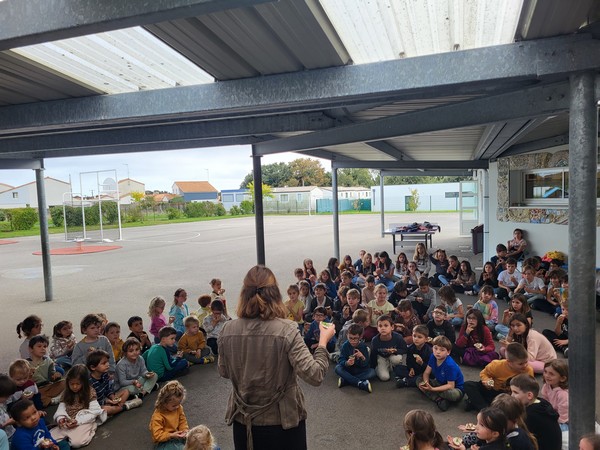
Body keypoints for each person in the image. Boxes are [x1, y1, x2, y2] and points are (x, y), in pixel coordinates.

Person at [217, 265, 334, 450]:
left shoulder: (227, 330)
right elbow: (315, 374)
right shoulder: (287, 330)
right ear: (275, 293)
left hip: (244, 421)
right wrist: (323, 342)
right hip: (282, 423)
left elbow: (224, 371)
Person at [463, 342, 533, 412]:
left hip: (508, 396)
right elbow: (484, 374)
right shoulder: (497, 365)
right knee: (468, 385)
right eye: (520, 364)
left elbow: (529, 388)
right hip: (491, 390)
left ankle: (478, 405)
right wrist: (487, 381)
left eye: (526, 362)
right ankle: (485, 409)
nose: (525, 365)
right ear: (509, 362)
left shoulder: (528, 370)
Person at [50, 365, 106, 448]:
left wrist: (77, 421)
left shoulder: (90, 392)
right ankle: (68, 437)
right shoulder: (66, 393)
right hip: (68, 420)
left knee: (77, 443)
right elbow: (61, 408)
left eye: (78, 384)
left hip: (83, 420)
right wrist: (60, 418)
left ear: (84, 383)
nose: (74, 387)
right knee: (49, 438)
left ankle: (91, 427)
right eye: (72, 384)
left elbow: (95, 411)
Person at [510, 374, 562, 450]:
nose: (512, 396)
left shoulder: (530, 415)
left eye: (515, 392)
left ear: (529, 395)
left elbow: (523, 439)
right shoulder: (542, 403)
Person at [417, 336, 464, 412]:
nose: (438, 352)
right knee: (419, 380)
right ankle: (439, 399)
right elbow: (426, 372)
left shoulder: (450, 365)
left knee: (453, 395)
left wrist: (432, 389)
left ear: (448, 352)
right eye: (435, 348)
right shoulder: (433, 357)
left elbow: (451, 386)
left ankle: (436, 396)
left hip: (455, 389)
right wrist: (426, 383)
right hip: (440, 383)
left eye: (442, 350)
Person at [86, 350, 133, 416]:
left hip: (107, 400)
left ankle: (116, 408)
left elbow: (108, 389)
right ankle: (123, 407)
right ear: (93, 367)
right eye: (104, 363)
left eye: (107, 362)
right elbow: (93, 402)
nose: (108, 364)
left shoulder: (105, 374)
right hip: (98, 404)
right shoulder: (90, 382)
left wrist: (113, 397)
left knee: (126, 391)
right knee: (105, 409)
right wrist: (107, 401)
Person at [334, 324, 375, 392]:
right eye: (350, 338)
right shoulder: (345, 346)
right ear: (347, 335)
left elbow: (366, 364)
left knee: (372, 372)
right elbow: (341, 360)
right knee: (337, 368)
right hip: (348, 369)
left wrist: (362, 357)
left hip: (359, 370)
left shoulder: (363, 347)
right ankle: (359, 383)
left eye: (355, 338)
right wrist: (347, 363)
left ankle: (346, 380)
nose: (352, 341)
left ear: (360, 337)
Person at [26, 335, 65, 407]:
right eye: (39, 346)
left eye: (45, 346)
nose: (43, 348)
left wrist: (56, 376)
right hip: (36, 389)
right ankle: (53, 400)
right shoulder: (26, 364)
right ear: (31, 349)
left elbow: (51, 377)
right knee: (34, 397)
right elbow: (23, 380)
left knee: (65, 382)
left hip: (49, 386)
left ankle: (55, 398)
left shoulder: (48, 361)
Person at [149, 381, 189, 450]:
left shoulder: (179, 408)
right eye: (174, 405)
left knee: (195, 441)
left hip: (177, 435)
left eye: (179, 403)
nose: (177, 407)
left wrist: (184, 430)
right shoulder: (157, 416)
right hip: (164, 441)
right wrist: (171, 435)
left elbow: (182, 421)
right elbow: (157, 435)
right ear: (164, 402)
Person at [370, 315, 408, 381]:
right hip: (381, 357)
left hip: (393, 355)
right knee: (384, 378)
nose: (383, 328)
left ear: (392, 327)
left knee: (396, 360)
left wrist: (395, 351)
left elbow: (405, 350)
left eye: (386, 325)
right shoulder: (375, 340)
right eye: (380, 326)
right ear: (377, 328)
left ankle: (391, 366)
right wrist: (372, 367)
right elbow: (373, 354)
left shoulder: (398, 337)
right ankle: (381, 368)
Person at [396, 324, 432, 389]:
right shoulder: (411, 348)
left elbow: (430, 368)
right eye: (414, 336)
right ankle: (407, 378)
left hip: (423, 371)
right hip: (414, 369)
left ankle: (406, 381)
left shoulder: (428, 351)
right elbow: (408, 360)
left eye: (419, 337)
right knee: (398, 368)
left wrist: (421, 363)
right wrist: (411, 368)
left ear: (426, 339)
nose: (416, 339)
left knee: (423, 377)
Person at [540, 360, 569, 436]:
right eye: (545, 372)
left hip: (565, 420)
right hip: (554, 413)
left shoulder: (563, 394)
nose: (546, 375)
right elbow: (545, 402)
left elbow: (564, 416)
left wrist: (553, 422)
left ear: (562, 378)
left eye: (551, 374)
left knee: (560, 432)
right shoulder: (547, 386)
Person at [0, 374, 17, 444]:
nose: (8, 398)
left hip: (11, 432)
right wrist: (6, 423)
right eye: (6, 396)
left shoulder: (2, 403)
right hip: (4, 438)